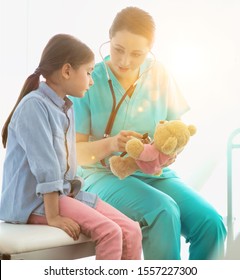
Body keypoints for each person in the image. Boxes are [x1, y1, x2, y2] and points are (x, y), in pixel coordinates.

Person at [70, 7, 227, 260]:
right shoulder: (89, 79)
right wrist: (111, 144)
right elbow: (75, 154)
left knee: (211, 224)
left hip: (154, 173)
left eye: (137, 54)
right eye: (118, 49)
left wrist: (172, 149)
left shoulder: (159, 74)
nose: (125, 61)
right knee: (163, 211)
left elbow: (178, 129)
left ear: (150, 50)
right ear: (109, 37)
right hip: (101, 175)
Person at [0, 33, 142, 260]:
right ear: (67, 71)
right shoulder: (34, 106)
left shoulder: (66, 108)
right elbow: (45, 167)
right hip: (33, 202)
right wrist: (54, 216)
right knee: (110, 232)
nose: (92, 80)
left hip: (64, 195)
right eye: (88, 73)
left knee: (132, 230)